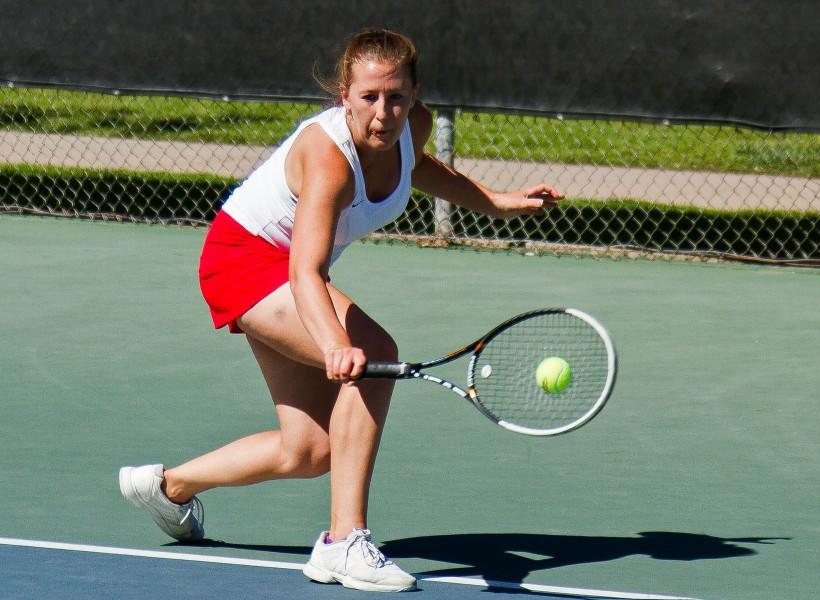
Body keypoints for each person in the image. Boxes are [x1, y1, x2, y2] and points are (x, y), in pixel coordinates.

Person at [118, 28, 562, 592]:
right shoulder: (328, 158)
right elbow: (304, 272)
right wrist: (334, 344)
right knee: (376, 353)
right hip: (245, 261)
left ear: (414, 93)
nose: (384, 112)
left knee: (310, 450)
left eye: (396, 97)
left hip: (284, 269)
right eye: (370, 97)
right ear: (343, 96)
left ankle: (167, 487)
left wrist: (495, 202)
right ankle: (342, 542)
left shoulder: (410, 126)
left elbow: (419, 167)